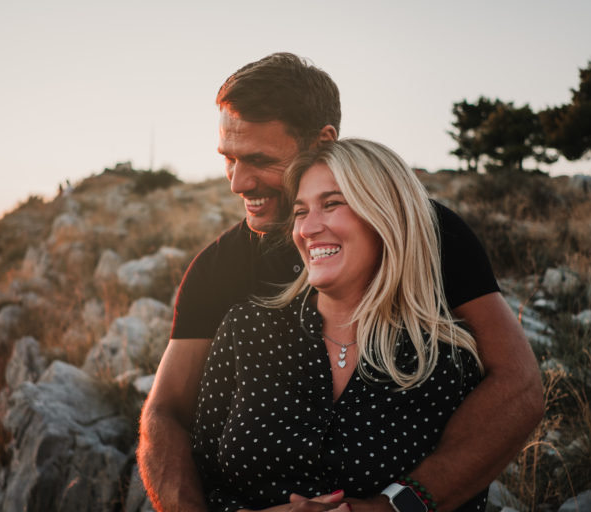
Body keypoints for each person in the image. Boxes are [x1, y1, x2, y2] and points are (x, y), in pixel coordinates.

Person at [138, 53, 544, 512]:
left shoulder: (428, 237)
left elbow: (519, 384)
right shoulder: (219, 271)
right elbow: (166, 412)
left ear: (321, 140)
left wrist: (394, 506)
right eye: (228, 159)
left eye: (257, 159)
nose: (237, 181)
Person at [192, 138, 489, 512]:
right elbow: (201, 476)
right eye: (301, 211)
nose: (308, 228)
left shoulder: (447, 359)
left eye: (331, 204)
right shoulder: (246, 330)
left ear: (387, 215)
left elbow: (465, 497)